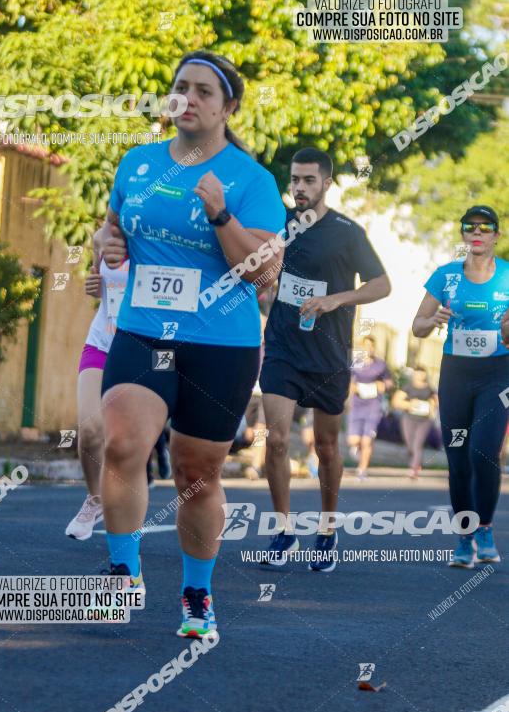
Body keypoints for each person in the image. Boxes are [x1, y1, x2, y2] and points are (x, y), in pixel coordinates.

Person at [94, 49, 287, 637]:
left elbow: (263, 272)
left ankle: (197, 594)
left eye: (205, 91)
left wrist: (222, 215)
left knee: (195, 473)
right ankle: (123, 573)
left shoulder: (251, 180)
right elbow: (111, 223)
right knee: (123, 442)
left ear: (228, 107)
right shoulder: (138, 162)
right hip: (144, 329)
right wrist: (108, 245)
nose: (190, 98)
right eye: (182, 87)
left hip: (219, 344)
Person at [260, 147, 391, 570]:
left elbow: (382, 283)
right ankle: (283, 532)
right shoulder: (276, 223)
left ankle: (328, 528)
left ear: (327, 183)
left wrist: (338, 299)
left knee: (326, 446)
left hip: (329, 354)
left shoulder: (347, 232)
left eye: (308, 180)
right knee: (277, 440)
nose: (299, 187)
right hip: (282, 346)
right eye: (295, 180)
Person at [411, 204, 509, 567]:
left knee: (484, 452)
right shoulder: (446, 276)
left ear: (496, 235)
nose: (478, 233)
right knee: (458, 459)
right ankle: (465, 536)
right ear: (464, 234)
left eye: (486, 228)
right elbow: (417, 327)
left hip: (498, 375)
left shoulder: (508, 278)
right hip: (455, 375)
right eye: (471, 227)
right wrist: (433, 319)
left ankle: (484, 528)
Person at [64, 254, 128, 540]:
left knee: (125, 443)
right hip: (101, 342)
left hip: (145, 349)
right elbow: (99, 282)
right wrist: (94, 285)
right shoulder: (104, 236)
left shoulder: (166, 231)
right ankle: (95, 499)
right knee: (90, 430)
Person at [347, 335, 392, 480]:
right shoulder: (356, 363)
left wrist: (383, 386)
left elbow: (390, 383)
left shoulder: (381, 365)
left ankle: (362, 469)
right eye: (365, 346)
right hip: (357, 405)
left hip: (373, 406)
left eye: (371, 346)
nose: (368, 349)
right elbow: (348, 380)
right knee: (354, 440)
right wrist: (352, 387)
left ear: (374, 348)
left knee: (367, 440)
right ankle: (357, 449)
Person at [391, 366, 438, 479]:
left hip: (424, 420)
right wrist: (410, 404)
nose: (420, 376)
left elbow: (436, 401)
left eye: (422, 374)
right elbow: (396, 401)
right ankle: (417, 462)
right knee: (410, 444)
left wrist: (432, 404)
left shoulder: (429, 388)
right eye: (418, 373)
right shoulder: (408, 387)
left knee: (418, 443)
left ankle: (413, 469)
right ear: (414, 375)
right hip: (409, 418)